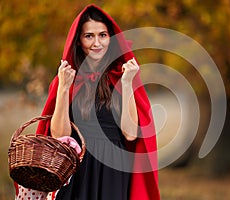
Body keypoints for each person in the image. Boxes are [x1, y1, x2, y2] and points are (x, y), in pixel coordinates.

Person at [14, 4, 160, 200]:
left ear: (111, 38)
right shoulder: (66, 78)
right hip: (77, 167)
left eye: (103, 35)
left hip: (113, 169)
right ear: (78, 41)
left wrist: (127, 84)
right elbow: (59, 134)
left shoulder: (121, 77)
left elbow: (130, 133)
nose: (97, 43)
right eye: (89, 36)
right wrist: (64, 87)